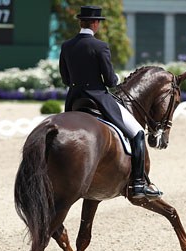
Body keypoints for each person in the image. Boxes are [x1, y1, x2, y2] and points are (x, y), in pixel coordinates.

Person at [59, 5, 162, 200]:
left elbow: (65, 78)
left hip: (74, 101)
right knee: (138, 132)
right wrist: (113, 78)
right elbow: (109, 81)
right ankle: (139, 183)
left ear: (81, 22)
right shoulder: (100, 46)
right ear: (95, 23)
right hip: (98, 98)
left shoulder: (67, 46)